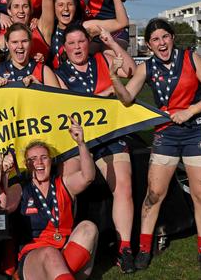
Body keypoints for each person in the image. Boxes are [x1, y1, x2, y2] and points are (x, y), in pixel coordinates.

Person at [110, 18, 201, 272]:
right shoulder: (146, 67)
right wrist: (113, 75)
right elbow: (127, 99)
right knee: (154, 195)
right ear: (149, 45)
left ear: (172, 37)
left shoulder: (191, 58)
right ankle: (143, 249)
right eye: (155, 40)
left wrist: (190, 110)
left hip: (195, 133)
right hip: (166, 136)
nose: (161, 43)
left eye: (164, 37)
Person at [54, 24, 137, 273]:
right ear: (64, 48)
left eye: (81, 42)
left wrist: (111, 42)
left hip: (110, 136)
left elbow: (131, 70)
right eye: (72, 43)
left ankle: (124, 248)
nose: (78, 47)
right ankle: (67, 241)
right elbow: (69, 107)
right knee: (68, 184)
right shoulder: (58, 73)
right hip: (78, 139)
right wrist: (104, 94)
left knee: (123, 184)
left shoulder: (103, 58)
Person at [0, 118, 98, 280]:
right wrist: (4, 175)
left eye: (44, 157)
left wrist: (81, 143)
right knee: (50, 253)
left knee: (89, 228)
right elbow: (3, 207)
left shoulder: (63, 183)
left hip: (64, 251)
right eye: (33, 159)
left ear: (51, 161)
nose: (39, 162)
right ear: (27, 164)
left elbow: (88, 177)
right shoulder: (21, 188)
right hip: (34, 257)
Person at [0, 23, 60, 88]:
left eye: (24, 41)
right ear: (7, 44)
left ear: (31, 43)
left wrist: (39, 87)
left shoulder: (44, 71)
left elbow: (58, 100)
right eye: (14, 42)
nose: (20, 46)